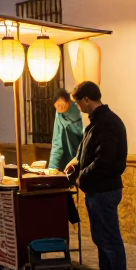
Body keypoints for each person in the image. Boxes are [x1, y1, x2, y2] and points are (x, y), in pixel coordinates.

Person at [64, 81, 128, 270]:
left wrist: (83, 176)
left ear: (87, 100)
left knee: (110, 240)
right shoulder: (97, 122)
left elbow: (105, 160)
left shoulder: (107, 123)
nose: (77, 107)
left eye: (77, 102)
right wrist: (75, 161)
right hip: (98, 189)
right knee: (102, 239)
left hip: (103, 189)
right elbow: (88, 149)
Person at [48, 88, 83, 225]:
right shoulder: (59, 115)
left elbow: (85, 136)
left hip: (81, 157)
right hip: (67, 159)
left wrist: (78, 158)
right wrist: (52, 167)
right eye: (57, 107)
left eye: (62, 106)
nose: (60, 109)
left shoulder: (79, 112)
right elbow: (57, 142)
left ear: (69, 102)